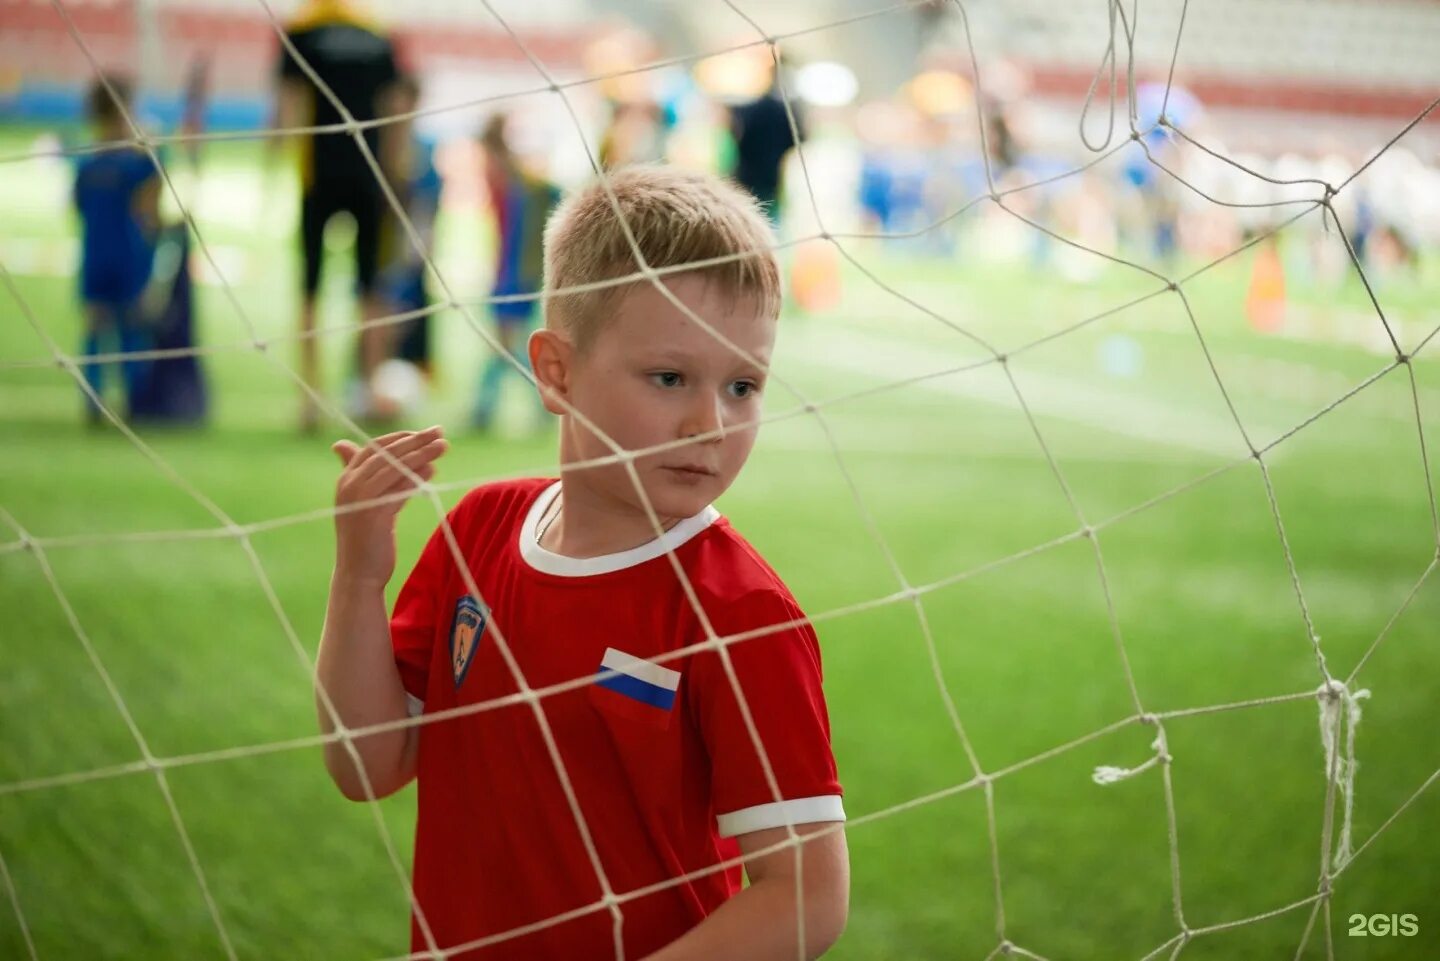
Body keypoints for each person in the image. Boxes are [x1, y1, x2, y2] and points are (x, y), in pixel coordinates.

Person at [318, 166, 849, 960]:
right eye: (669, 378)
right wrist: (360, 575)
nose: (709, 422)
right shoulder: (478, 531)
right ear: (557, 371)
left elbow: (806, 894)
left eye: (744, 385)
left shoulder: (739, 612)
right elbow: (367, 762)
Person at [273, 0, 399, 430]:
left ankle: (310, 398)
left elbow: (289, 103)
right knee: (371, 290)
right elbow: (394, 105)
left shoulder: (302, 32)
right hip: (369, 176)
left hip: (318, 177)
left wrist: (275, 162)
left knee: (310, 288)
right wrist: (396, 175)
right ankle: (368, 391)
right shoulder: (377, 34)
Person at [73, 76, 160, 424]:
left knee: (97, 325)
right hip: (128, 257)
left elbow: (78, 206)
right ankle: (133, 401)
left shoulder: (86, 163)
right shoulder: (137, 164)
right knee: (129, 329)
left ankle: (93, 401)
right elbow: (152, 208)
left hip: (95, 256)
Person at [471, 113, 560, 430]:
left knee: (507, 348)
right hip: (511, 273)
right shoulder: (506, 181)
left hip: (516, 274)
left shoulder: (519, 184)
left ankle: (490, 409)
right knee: (506, 348)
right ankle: (492, 408)